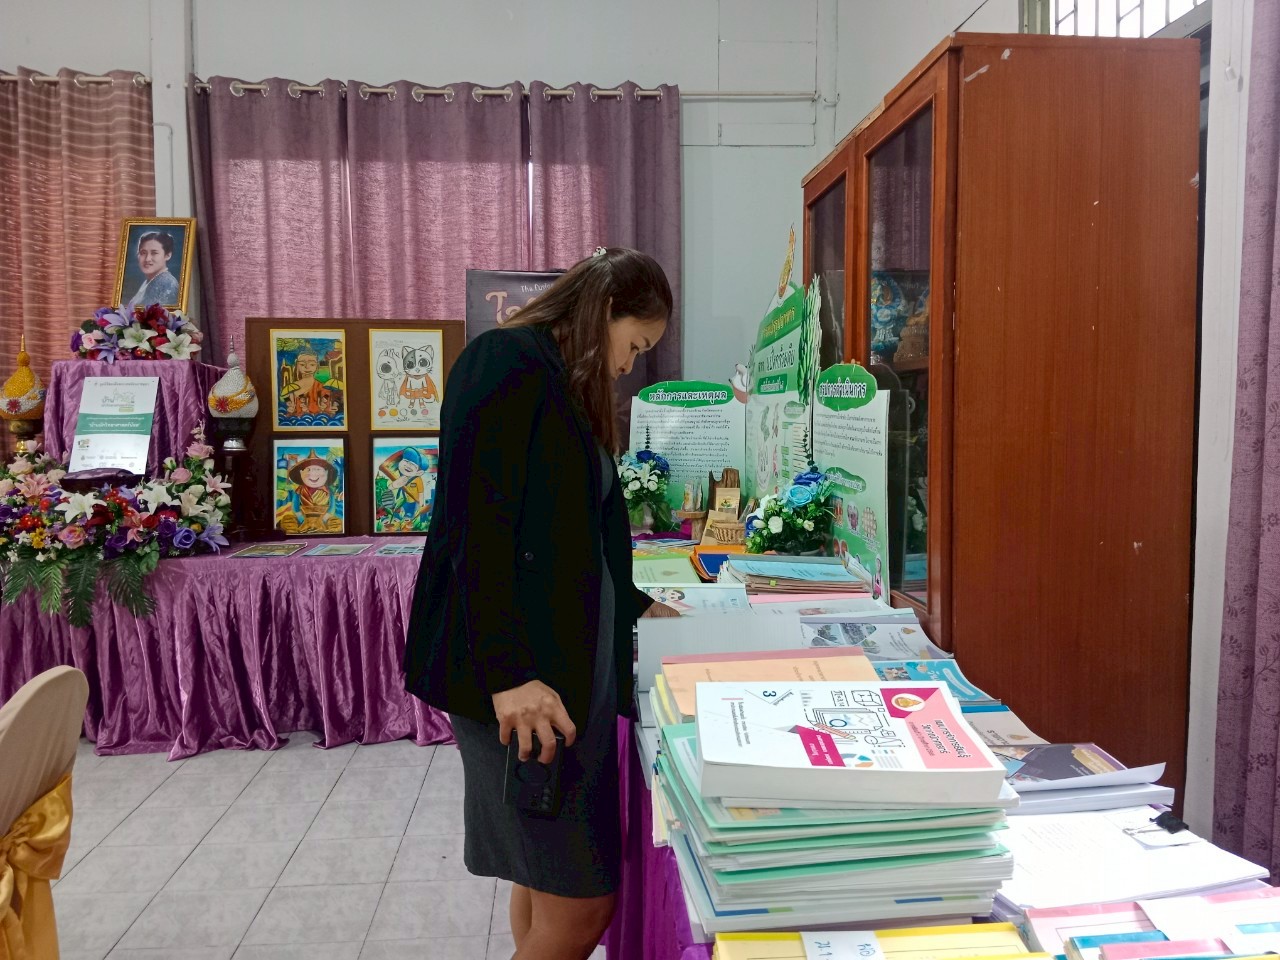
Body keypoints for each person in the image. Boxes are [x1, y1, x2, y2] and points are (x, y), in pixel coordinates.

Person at [404, 247, 680, 960]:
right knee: (583, 901)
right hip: (524, 681)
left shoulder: (566, 383)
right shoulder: (504, 361)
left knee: (545, 876)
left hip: (561, 670)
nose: (630, 365)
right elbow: (477, 530)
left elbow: (570, 536)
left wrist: (637, 606)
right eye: (635, 344)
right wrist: (508, 676)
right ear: (606, 310)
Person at [127, 231, 181, 309]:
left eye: (154, 253)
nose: (147, 259)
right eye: (143, 253)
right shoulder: (149, 281)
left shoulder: (167, 284)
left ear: (167, 255)